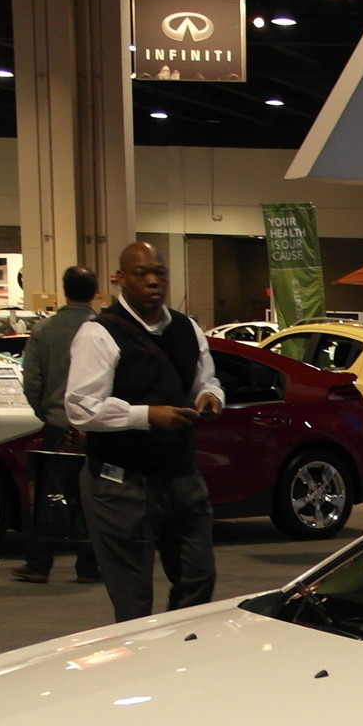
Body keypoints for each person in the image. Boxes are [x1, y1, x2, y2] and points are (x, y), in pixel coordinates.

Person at [63, 241, 223, 622]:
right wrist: (147, 415)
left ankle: (178, 662)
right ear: (121, 279)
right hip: (121, 485)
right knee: (133, 601)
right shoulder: (98, 334)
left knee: (199, 579)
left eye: (160, 273)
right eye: (142, 274)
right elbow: (81, 408)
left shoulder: (187, 329)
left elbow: (207, 379)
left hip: (182, 477)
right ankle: (140, 671)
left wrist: (210, 396)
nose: (153, 281)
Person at [13, 266, 103, 587]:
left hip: (56, 426)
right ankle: (90, 567)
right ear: (95, 292)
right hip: (96, 430)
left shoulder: (44, 331)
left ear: (64, 290)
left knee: (50, 498)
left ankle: (39, 564)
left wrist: (48, 413)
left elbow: (31, 381)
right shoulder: (105, 330)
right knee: (93, 499)